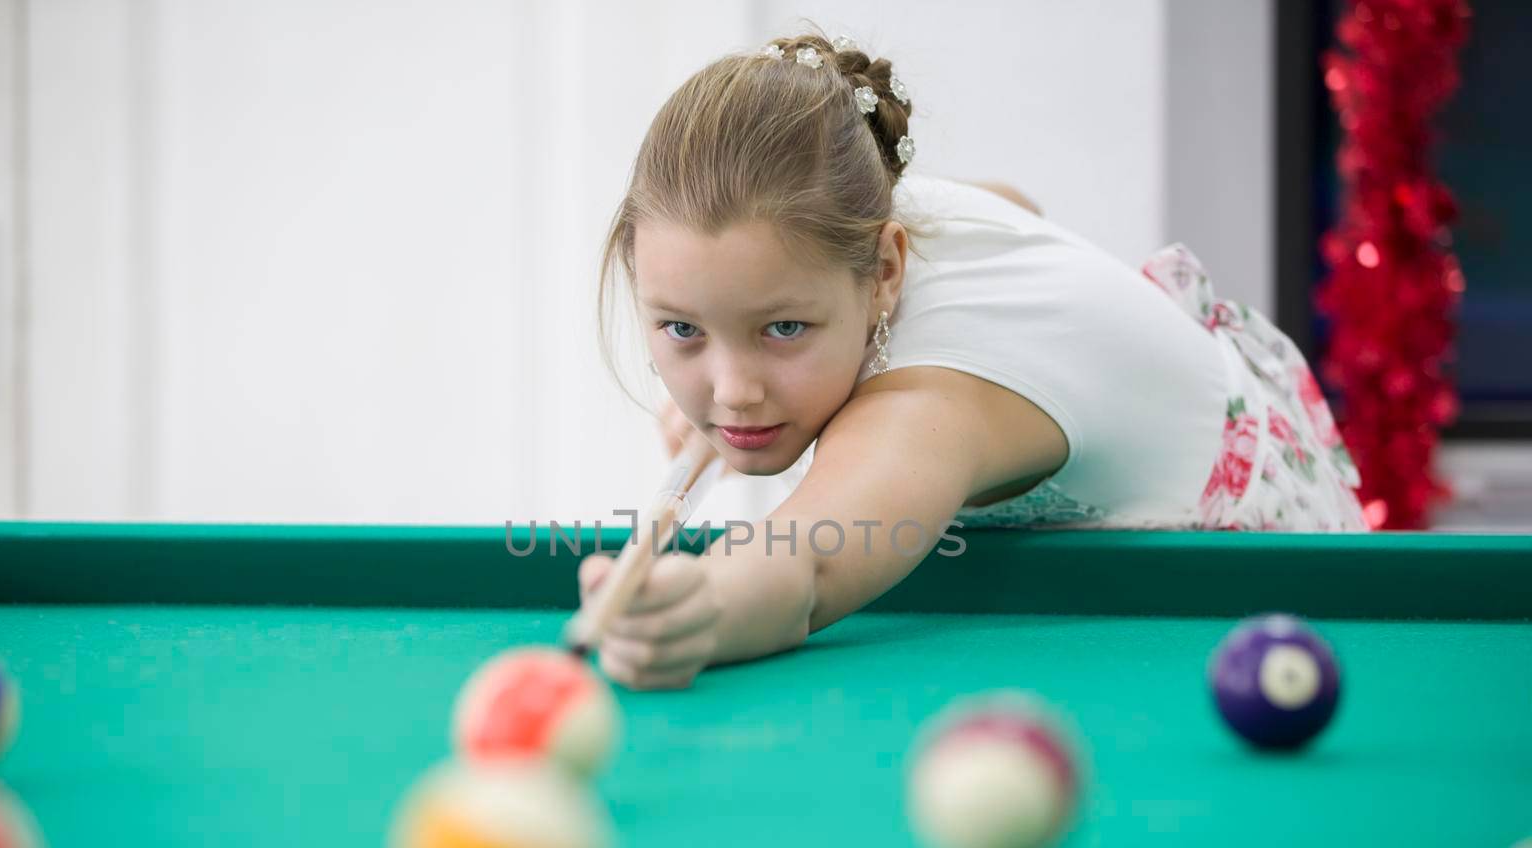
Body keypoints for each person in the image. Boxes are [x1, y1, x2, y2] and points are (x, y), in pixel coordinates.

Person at [577, 29, 1367, 690]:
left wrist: (703, 604)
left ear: (886, 271)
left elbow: (807, 566)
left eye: (782, 328)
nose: (732, 392)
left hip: (1261, 575)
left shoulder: (927, 406)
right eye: (683, 331)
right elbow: (1013, 201)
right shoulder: (872, 214)